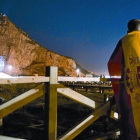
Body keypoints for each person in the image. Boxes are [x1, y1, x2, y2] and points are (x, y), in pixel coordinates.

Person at [108, 19, 140, 140]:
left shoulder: (124, 41)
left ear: (128, 30)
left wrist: (119, 87)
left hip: (131, 97)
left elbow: (113, 64)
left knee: (131, 130)